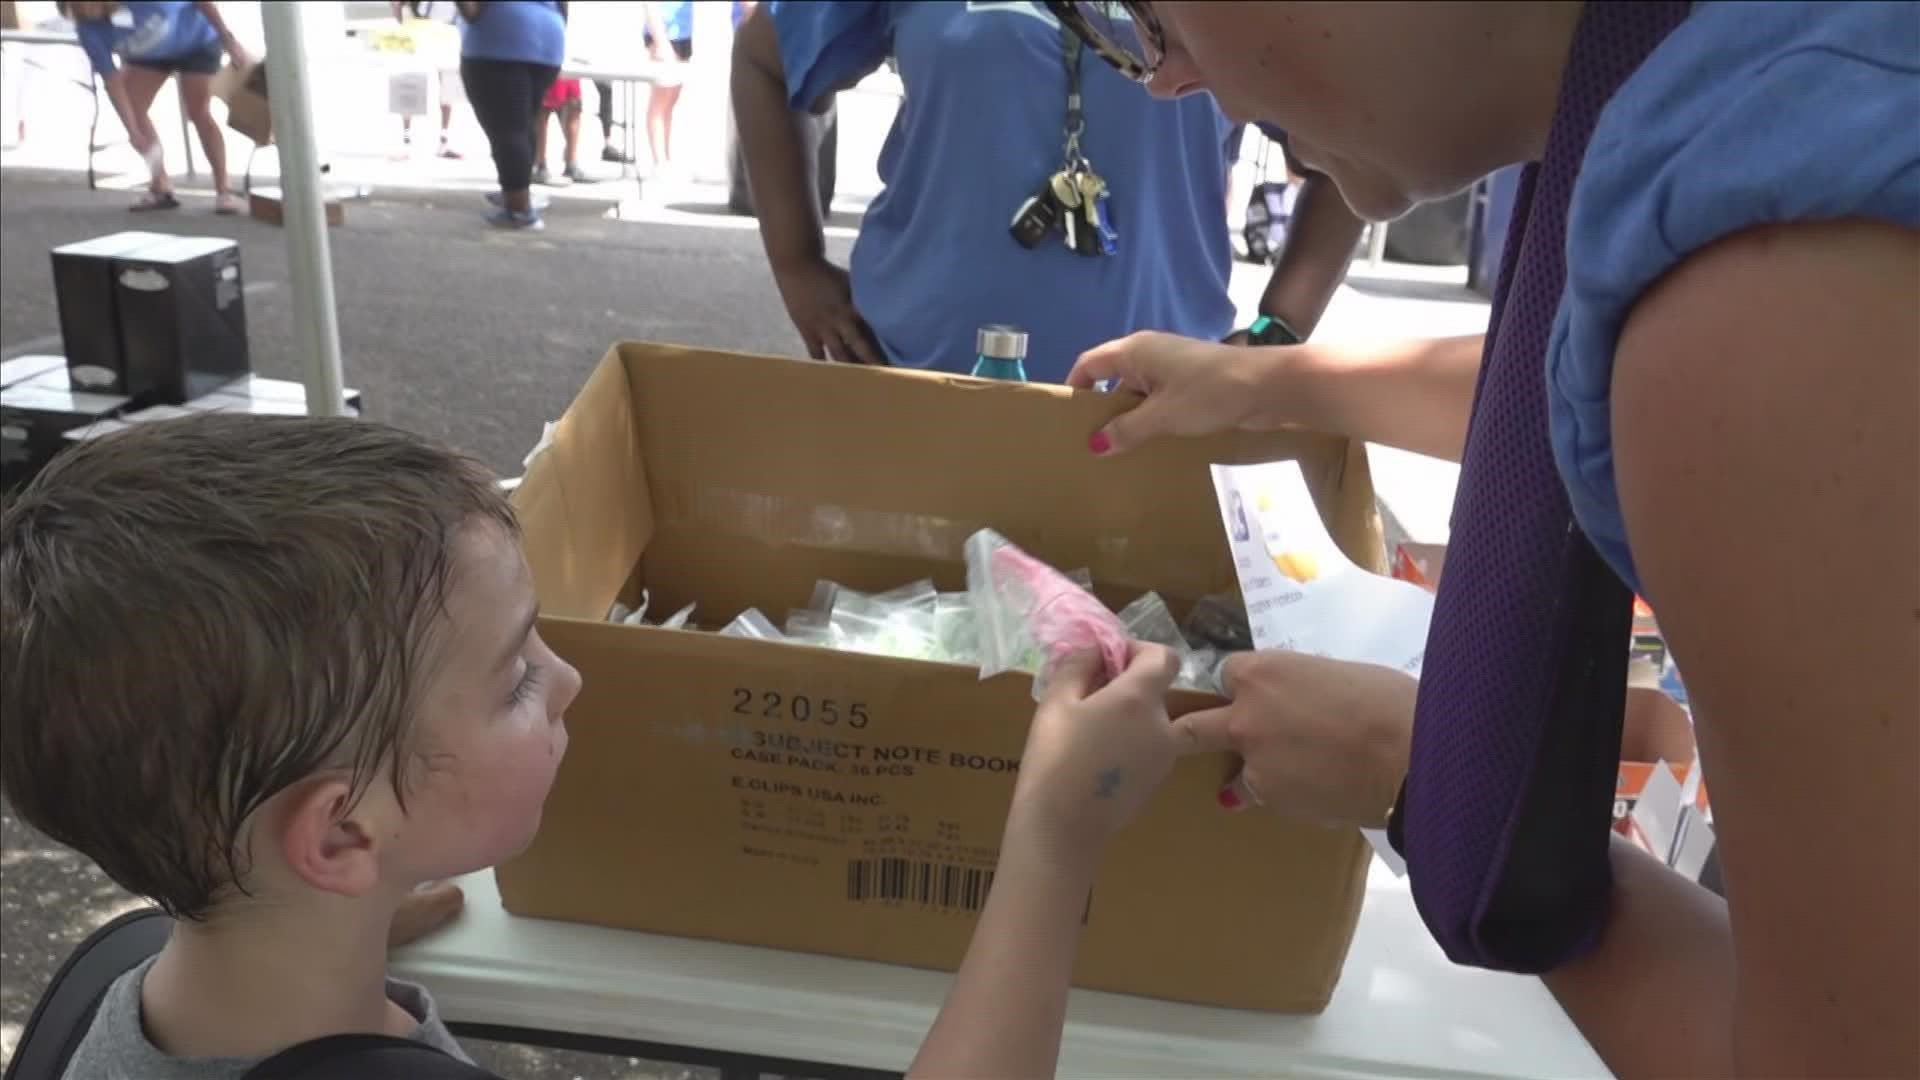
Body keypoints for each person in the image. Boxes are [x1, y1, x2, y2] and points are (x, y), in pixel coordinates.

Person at [1050, 2, 1918, 1076]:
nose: (1162, 74)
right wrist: (1264, 381)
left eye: (1140, 9)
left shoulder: (1765, 299)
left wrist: (1425, 780)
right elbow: (1597, 375)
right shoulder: (1787, 106)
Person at [0, 413, 1205, 1078]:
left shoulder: (132, 963)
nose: (570, 680)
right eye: (519, 675)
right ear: (340, 832)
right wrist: (1054, 840)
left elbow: (280, 898)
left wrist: (368, 900)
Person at [731, 1, 1365, 381]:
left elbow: (1362, 128)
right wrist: (797, 266)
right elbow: (763, 59)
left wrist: (1281, 327)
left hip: (1161, 399)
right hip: (914, 372)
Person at [66, 1, 252, 214]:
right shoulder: (88, 29)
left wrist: (228, 39)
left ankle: (224, 190)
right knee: (134, 107)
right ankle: (160, 185)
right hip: (149, 55)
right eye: (76, 6)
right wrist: (133, 132)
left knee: (198, 111)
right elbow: (112, 82)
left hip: (196, 41)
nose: (85, 10)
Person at [457, 0, 566, 230]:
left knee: (507, 129)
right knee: (524, 122)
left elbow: (471, 10)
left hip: (500, 39)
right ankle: (517, 190)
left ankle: (519, 208)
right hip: (548, 38)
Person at [391, 0, 466, 160]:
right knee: (410, 82)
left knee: (448, 85)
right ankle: (407, 141)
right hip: (420, 27)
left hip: (444, 28)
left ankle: (443, 140)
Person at [641, 0, 693, 178]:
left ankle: (666, 158)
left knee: (671, 99)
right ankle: (659, 161)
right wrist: (661, 41)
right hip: (663, 33)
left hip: (683, 32)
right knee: (660, 98)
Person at [533, 74, 589, 185]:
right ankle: (541, 165)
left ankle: (570, 163)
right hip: (551, 67)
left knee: (573, 109)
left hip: (569, 68)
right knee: (543, 112)